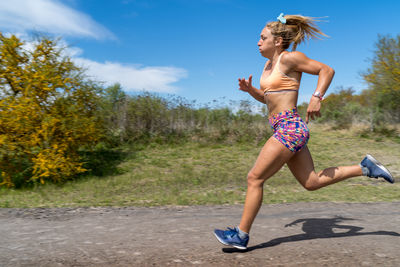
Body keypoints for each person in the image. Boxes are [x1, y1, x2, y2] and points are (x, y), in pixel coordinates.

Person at [213, 13, 394, 250]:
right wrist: (251, 91)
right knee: (311, 182)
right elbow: (270, 100)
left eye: (262, 37)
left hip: (290, 127)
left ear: (277, 41)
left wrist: (316, 96)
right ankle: (365, 167)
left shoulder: (289, 58)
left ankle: (241, 235)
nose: (258, 42)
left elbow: (326, 70)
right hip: (284, 127)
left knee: (254, 178)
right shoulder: (268, 66)